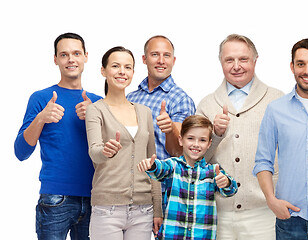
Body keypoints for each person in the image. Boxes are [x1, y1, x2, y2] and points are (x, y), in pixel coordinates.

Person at [14, 32, 103, 240]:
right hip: (55, 199)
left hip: (96, 198)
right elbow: (20, 152)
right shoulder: (41, 98)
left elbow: (111, 151)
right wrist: (41, 118)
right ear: (55, 59)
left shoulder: (98, 102)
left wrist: (95, 116)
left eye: (76, 53)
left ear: (86, 57)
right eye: (64, 54)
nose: (71, 59)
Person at [197, 34, 284, 240]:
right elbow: (196, 161)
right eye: (229, 60)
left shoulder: (277, 100)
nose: (236, 66)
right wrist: (216, 135)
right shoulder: (207, 104)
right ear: (221, 62)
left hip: (264, 212)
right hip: (220, 213)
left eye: (243, 59)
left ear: (255, 60)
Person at [253, 38, 308, 240]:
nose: (307, 71)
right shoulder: (276, 109)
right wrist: (271, 200)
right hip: (289, 219)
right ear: (292, 67)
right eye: (301, 64)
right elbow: (262, 161)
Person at [85, 46, 162, 239]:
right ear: (103, 71)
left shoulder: (145, 112)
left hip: (143, 210)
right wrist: (105, 151)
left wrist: (158, 209)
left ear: (133, 72)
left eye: (128, 67)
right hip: (107, 209)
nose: (122, 71)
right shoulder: (95, 110)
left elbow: (153, 164)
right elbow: (94, 151)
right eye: (115, 66)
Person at [126, 35, 196, 234]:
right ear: (144, 59)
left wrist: (171, 129)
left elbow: (182, 152)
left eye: (167, 55)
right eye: (155, 54)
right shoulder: (131, 97)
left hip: (167, 191)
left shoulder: (180, 99)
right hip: (133, 190)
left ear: (174, 61)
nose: (161, 60)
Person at [138, 115, 238, 240]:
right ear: (181, 140)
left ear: (209, 144)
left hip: (202, 236)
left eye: (202, 140)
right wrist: (151, 165)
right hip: (172, 236)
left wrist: (226, 182)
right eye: (190, 138)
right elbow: (160, 169)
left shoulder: (213, 171)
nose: (196, 144)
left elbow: (232, 189)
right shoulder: (173, 166)